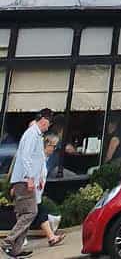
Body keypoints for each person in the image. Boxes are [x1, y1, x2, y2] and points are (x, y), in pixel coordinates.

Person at [4, 108, 52, 259]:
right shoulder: (32, 134)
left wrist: (36, 179)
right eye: (48, 123)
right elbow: (26, 157)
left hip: (24, 180)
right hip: (24, 181)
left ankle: (16, 250)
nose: (48, 127)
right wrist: (30, 178)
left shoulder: (35, 135)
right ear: (44, 120)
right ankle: (9, 241)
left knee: (26, 214)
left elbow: (35, 159)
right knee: (31, 212)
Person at [35, 137, 63, 248]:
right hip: (32, 193)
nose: (54, 149)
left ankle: (52, 238)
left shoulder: (44, 159)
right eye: (52, 146)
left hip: (37, 194)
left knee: (39, 214)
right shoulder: (39, 159)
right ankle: (12, 240)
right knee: (28, 216)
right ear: (46, 146)